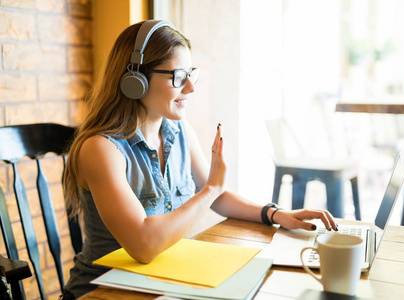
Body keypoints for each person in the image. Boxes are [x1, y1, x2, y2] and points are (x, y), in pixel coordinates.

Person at [61, 20, 338, 299]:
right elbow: (144, 245)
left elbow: (217, 195)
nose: (191, 87)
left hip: (160, 282)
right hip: (102, 291)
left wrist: (275, 214)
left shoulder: (178, 130)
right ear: (136, 80)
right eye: (178, 76)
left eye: (191, 73)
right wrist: (211, 190)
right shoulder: (101, 149)